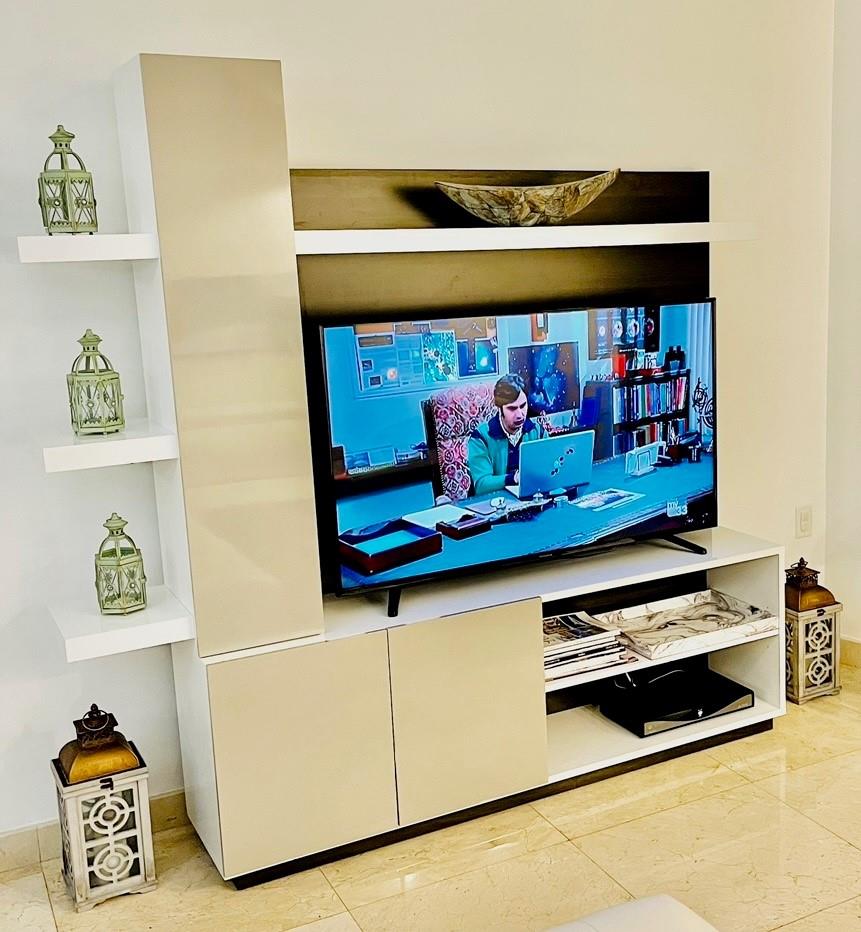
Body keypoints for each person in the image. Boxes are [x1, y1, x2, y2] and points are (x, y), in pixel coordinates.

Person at [467, 374, 546, 495]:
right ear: (500, 408)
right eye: (512, 408)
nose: (519, 414)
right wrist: (513, 478)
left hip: (530, 498)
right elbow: (481, 485)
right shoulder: (480, 438)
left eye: (523, 406)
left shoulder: (537, 432)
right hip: (493, 502)